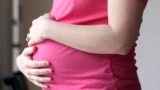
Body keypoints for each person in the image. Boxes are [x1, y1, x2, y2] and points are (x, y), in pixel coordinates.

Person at [16, 0, 148, 90]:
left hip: (100, 83)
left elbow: (120, 40)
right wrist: (27, 57)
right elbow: (65, 23)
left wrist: (46, 28)